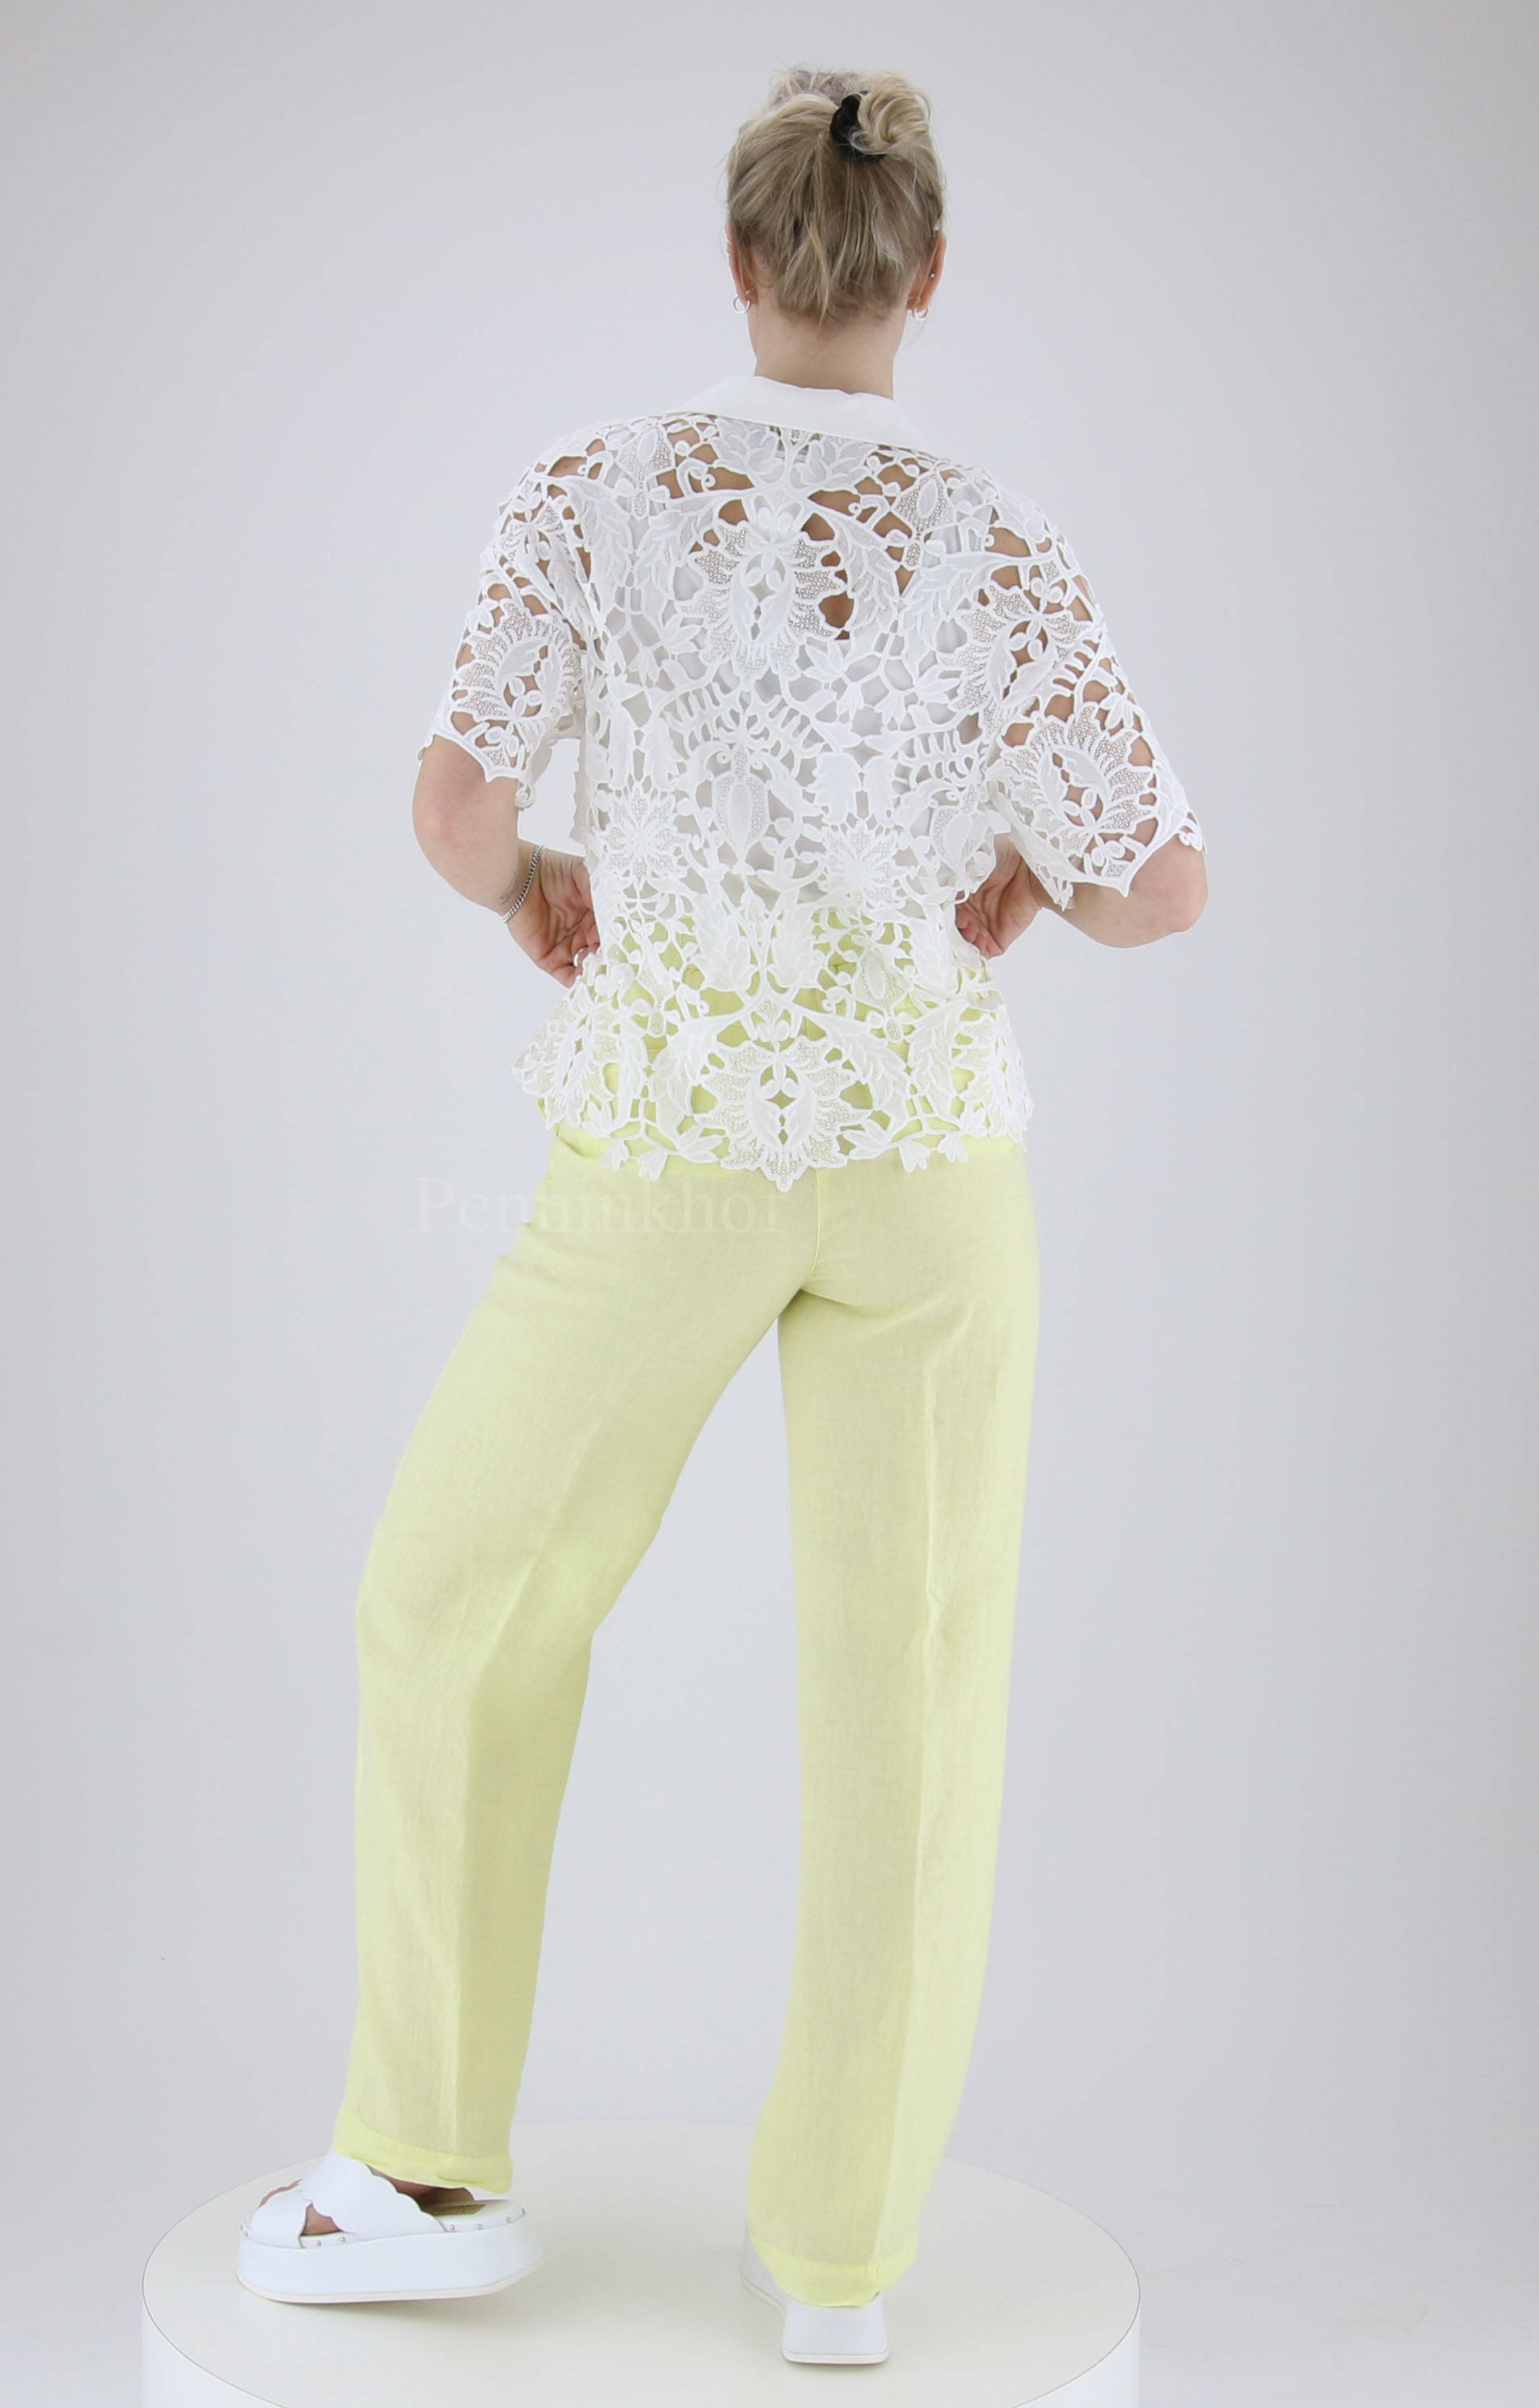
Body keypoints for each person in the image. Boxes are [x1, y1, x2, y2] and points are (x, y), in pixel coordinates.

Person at [235, 62, 1207, 2369]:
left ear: (743, 260)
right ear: (927, 273)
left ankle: (422, 2172)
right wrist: (1029, 877)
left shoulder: (596, 486)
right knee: (914, 1692)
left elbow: (456, 808)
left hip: (672, 1133)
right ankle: (840, 2263)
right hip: (927, 1167)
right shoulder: (995, 536)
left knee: (459, 1596)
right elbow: (1162, 883)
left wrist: (531, 888)